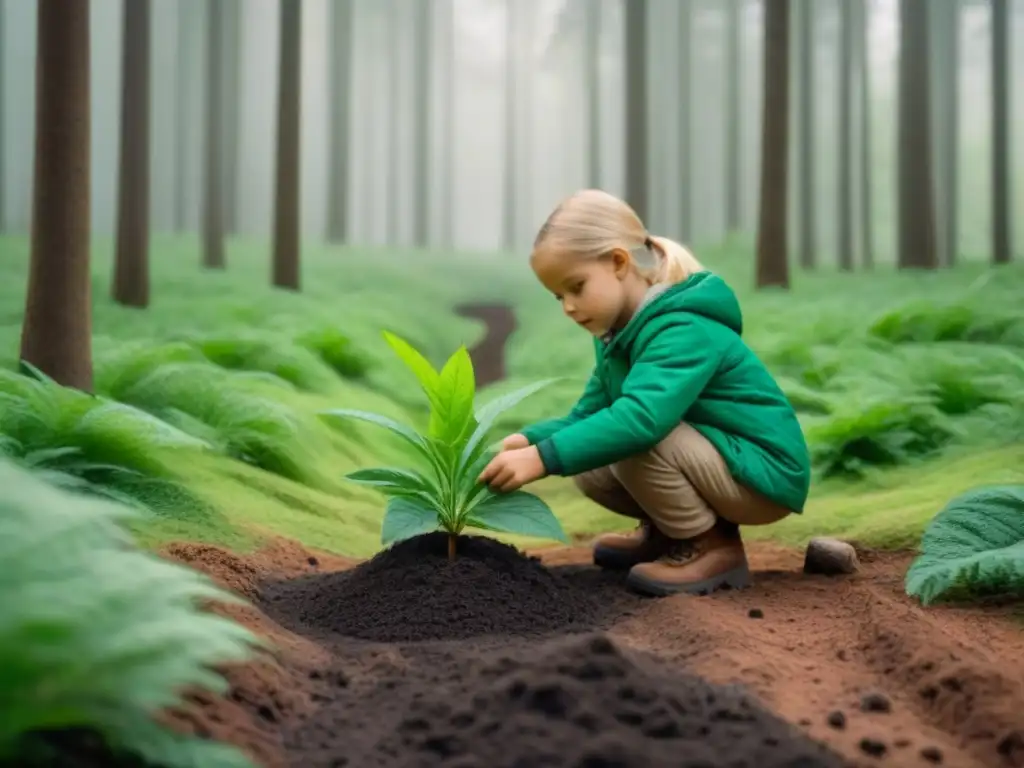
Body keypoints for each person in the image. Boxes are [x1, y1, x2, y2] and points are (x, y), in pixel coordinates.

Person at [478, 189, 811, 597]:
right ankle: (669, 532)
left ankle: (712, 548)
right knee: (590, 460)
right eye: (558, 296)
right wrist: (530, 441)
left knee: (632, 440)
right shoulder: (618, 335)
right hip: (719, 461)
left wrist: (542, 459)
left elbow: (641, 420)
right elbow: (590, 414)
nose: (567, 306)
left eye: (576, 286)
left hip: (763, 474)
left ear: (619, 262)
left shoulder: (682, 327)